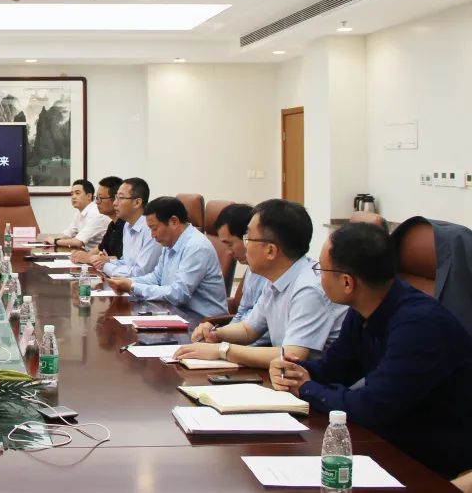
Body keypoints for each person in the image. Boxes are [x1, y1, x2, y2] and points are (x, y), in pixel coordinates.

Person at [270, 223, 472, 480]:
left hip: (431, 458)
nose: (318, 277)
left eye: (320, 269)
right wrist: (293, 370)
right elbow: (335, 368)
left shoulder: (420, 325)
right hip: (389, 439)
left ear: (347, 282)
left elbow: (371, 408)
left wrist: (306, 388)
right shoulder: (364, 309)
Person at [175, 199, 347, 368]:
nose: (245, 245)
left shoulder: (309, 289)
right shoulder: (276, 279)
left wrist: (222, 350)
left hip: (320, 381)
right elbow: (249, 330)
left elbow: (291, 356)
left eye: (248, 238)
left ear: (270, 250)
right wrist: (215, 334)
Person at [106, 196, 227, 316]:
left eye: (154, 228)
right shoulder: (170, 242)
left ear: (174, 221)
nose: (152, 235)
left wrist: (132, 286)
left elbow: (178, 294)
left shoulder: (196, 247)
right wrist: (127, 282)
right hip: (175, 313)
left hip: (201, 320)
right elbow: (156, 278)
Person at [213, 203, 269, 345]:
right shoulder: (252, 268)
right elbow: (242, 315)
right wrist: (217, 336)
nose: (228, 252)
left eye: (229, 244)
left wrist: (225, 347)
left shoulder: (273, 276)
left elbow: (265, 334)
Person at [100, 177, 161, 278]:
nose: (114, 203)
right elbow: (127, 262)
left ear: (137, 203)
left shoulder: (151, 229)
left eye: (120, 198)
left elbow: (140, 273)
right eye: (116, 197)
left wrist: (105, 266)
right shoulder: (127, 225)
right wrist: (108, 261)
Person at [71, 176, 124, 269]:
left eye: (100, 198)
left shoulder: (125, 226)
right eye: (97, 198)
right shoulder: (112, 225)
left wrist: (89, 258)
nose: (96, 203)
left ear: (115, 199)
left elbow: (122, 260)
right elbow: (101, 248)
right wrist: (82, 255)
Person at [44, 179, 110, 250]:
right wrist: (53, 239)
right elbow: (69, 233)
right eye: (72, 194)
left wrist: (54, 241)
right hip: (85, 252)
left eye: (77, 193)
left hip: (98, 254)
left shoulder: (96, 214)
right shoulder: (79, 213)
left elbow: (78, 242)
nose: (73, 197)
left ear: (89, 196)